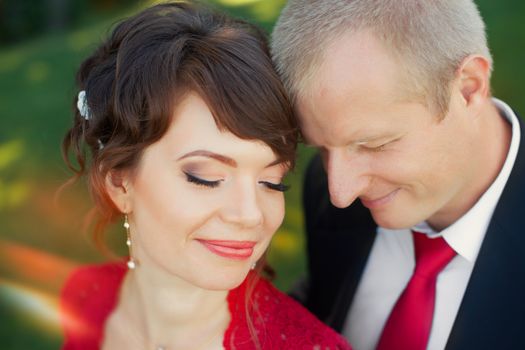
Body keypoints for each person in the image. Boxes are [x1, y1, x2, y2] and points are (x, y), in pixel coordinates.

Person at [59, 2, 351, 349]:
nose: (250, 215)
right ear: (119, 182)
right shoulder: (88, 295)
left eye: (272, 182)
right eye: (205, 177)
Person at [271, 1, 524, 349]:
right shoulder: (325, 186)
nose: (341, 193)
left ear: (468, 87)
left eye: (374, 144)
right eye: (322, 149)